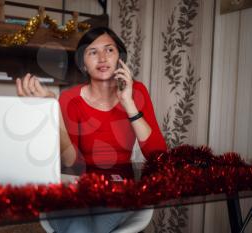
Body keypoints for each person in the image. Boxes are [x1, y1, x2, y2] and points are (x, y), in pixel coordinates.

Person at [16, 27, 167, 233]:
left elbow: (158, 156)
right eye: (93, 52)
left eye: (109, 50)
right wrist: (53, 110)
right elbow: (74, 166)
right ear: (83, 63)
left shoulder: (137, 92)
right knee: (80, 225)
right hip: (76, 192)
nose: (103, 58)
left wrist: (129, 103)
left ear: (120, 58)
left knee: (81, 227)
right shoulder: (70, 99)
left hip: (119, 192)